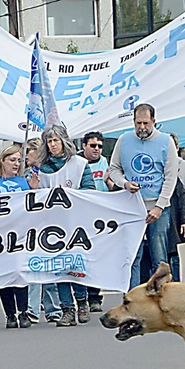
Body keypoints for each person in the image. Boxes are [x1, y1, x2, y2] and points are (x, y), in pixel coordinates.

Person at [107, 103, 179, 290]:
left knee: (159, 258)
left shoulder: (166, 141)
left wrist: (159, 206)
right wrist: (124, 183)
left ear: (154, 121)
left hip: (157, 208)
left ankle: (161, 301)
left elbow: (170, 177)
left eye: (146, 123)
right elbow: (114, 169)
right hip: (132, 207)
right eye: (138, 123)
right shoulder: (123, 140)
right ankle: (129, 300)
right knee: (132, 257)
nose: (142, 127)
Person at [35, 123, 95, 327]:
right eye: (49, 141)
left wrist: (70, 194)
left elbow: (89, 190)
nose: (52, 145)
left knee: (76, 263)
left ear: (64, 141)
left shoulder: (79, 164)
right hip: (53, 225)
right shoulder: (42, 170)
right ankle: (67, 308)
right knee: (60, 266)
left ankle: (82, 301)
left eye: (55, 140)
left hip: (75, 221)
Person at [0, 144, 38, 328]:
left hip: (19, 235)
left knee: (20, 274)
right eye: (12, 160)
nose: (16, 164)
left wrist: (34, 190)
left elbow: (31, 206)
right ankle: (10, 314)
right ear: (2, 161)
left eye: (19, 161)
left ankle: (23, 312)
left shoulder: (23, 182)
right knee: (4, 275)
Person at [22, 139, 59, 323]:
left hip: (49, 224)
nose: (25, 154)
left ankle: (54, 309)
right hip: (31, 225)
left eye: (28, 150)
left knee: (49, 267)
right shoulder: (25, 174)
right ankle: (32, 309)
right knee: (33, 267)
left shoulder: (49, 172)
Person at [78, 131, 110, 311]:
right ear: (84, 146)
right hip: (81, 216)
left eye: (99, 146)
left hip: (100, 217)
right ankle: (80, 296)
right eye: (92, 145)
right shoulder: (76, 163)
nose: (96, 149)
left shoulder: (105, 163)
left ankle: (94, 296)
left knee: (96, 258)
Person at [166, 134, 185, 282]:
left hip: (174, 223)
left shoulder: (184, 168)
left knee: (175, 257)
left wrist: (184, 221)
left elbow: (183, 198)